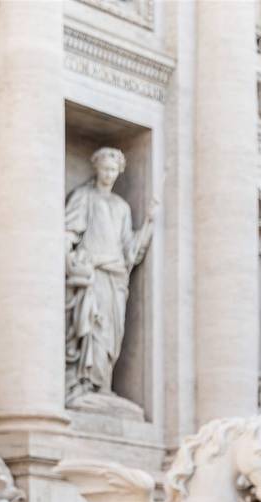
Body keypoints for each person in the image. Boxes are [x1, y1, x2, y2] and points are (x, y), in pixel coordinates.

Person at [64, 147, 154, 404]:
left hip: (116, 276)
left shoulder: (122, 207)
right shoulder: (84, 197)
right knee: (94, 327)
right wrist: (68, 256)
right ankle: (85, 383)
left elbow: (130, 249)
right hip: (94, 272)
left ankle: (103, 385)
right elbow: (70, 231)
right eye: (105, 168)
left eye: (113, 170)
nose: (109, 174)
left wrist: (149, 223)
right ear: (97, 169)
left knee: (112, 334)